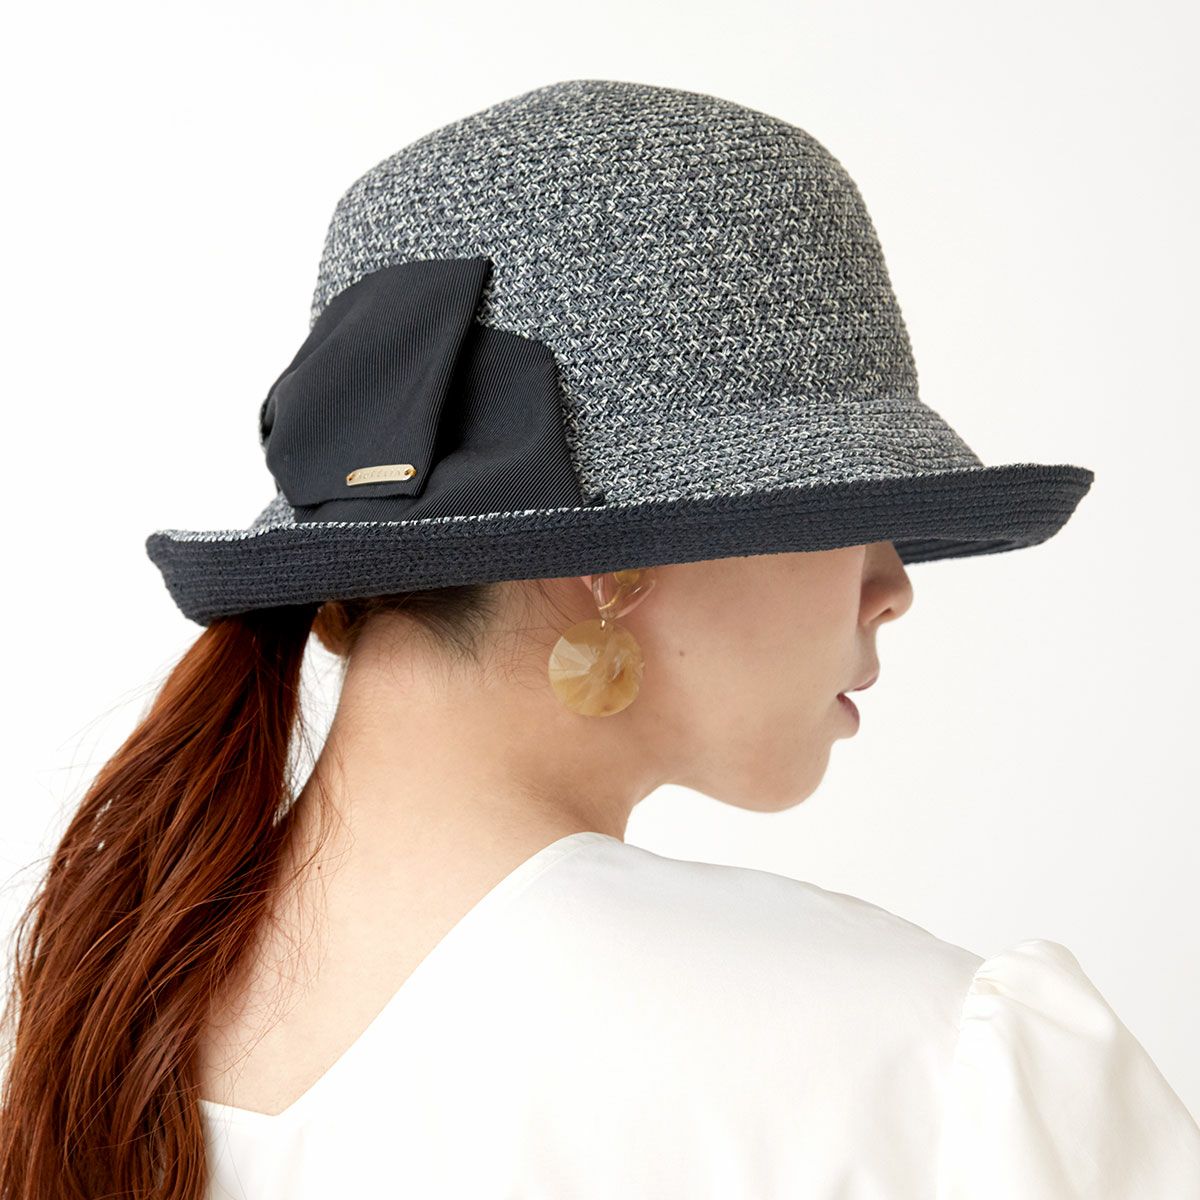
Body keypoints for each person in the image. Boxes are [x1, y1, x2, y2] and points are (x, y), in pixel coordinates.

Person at [2, 78, 1197, 1200]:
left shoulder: (95, 1023)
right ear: (610, 565)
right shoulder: (933, 1072)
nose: (892, 585)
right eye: (842, 503)